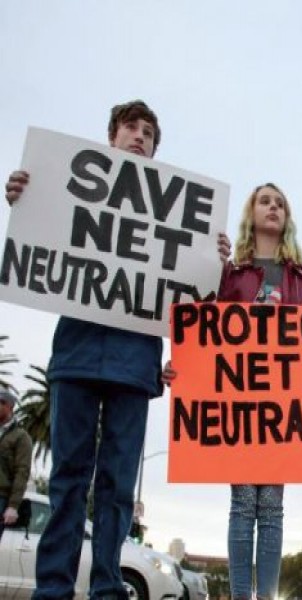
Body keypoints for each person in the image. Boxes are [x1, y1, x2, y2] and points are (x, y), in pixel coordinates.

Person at [4, 100, 230, 600]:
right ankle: (54, 590)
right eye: (131, 128)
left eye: (148, 132)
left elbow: (194, 301)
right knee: (68, 478)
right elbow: (44, 234)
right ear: (111, 136)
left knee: (117, 487)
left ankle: (107, 589)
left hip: (134, 365)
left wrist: (210, 264)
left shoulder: (176, 215)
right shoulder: (65, 185)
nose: (139, 137)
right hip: (77, 356)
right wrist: (27, 198)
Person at [165, 182, 302, 600]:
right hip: (240, 406)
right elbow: (209, 330)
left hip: (282, 411)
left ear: (286, 218)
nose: (273, 208)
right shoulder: (232, 272)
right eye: (265, 201)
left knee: (272, 509)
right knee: (243, 504)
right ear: (252, 213)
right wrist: (182, 367)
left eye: (279, 203)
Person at [0, 388, 33, 540]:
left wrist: (13, 506)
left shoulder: (20, 437)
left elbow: (22, 471)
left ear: (10, 407)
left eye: (1, 402)